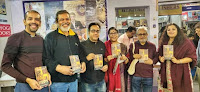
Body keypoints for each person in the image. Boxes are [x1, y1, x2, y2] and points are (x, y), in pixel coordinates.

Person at [1, 10, 51, 92]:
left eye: (37, 19)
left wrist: (47, 73)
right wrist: (27, 80)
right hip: (24, 86)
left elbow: (44, 61)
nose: (33, 21)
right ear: (24, 22)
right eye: (30, 19)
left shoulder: (41, 39)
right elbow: (5, 66)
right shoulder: (15, 38)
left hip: (42, 84)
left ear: (40, 23)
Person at [43, 10, 86, 92]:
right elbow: (46, 58)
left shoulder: (74, 36)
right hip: (58, 83)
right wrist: (59, 68)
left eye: (67, 19)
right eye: (62, 19)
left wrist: (83, 63)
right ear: (56, 22)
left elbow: (80, 53)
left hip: (74, 81)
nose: (65, 22)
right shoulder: (50, 37)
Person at [158, 23, 197, 92]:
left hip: (180, 71)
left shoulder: (185, 42)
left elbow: (192, 57)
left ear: (178, 31)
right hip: (166, 70)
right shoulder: (164, 42)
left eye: (173, 29)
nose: (171, 31)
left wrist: (178, 61)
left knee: (180, 88)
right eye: (168, 30)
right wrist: (160, 58)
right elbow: (159, 53)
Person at [129, 27, 158, 92]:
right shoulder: (133, 45)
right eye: (140, 34)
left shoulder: (152, 46)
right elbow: (129, 58)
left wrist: (152, 61)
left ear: (147, 34)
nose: (142, 36)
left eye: (144, 34)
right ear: (137, 35)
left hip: (148, 75)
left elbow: (156, 57)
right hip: (136, 74)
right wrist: (133, 56)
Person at [80, 22, 108, 92]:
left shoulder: (102, 44)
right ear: (89, 32)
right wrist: (87, 58)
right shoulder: (82, 45)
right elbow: (78, 61)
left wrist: (106, 65)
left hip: (101, 80)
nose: (95, 33)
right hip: (87, 82)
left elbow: (104, 58)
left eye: (97, 31)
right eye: (93, 31)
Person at [104, 27, 129, 92]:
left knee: (121, 88)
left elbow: (127, 61)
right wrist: (107, 59)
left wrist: (125, 58)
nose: (113, 35)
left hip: (120, 72)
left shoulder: (123, 46)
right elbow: (102, 59)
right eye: (111, 33)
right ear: (108, 35)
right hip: (109, 72)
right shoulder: (105, 45)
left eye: (115, 33)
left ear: (118, 34)